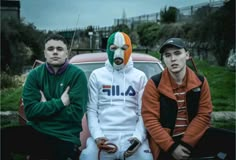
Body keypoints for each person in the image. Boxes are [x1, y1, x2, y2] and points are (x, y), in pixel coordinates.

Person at [141, 38, 235, 160]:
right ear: (163, 60)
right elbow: (150, 119)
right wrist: (172, 147)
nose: (173, 59)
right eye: (167, 55)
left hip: (194, 137)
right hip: (166, 142)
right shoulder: (154, 83)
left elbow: (204, 115)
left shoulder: (200, 82)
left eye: (177, 53)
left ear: (187, 55)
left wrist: (185, 144)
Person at [1, 33, 88, 160]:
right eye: (50, 49)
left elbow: (75, 114)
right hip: (38, 132)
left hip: (64, 136)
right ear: (45, 53)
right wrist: (60, 103)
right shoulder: (35, 75)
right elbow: (30, 112)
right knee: (2, 138)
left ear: (66, 53)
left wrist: (44, 106)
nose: (55, 52)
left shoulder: (77, 76)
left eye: (59, 49)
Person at [80, 32, 153, 160]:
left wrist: (138, 137)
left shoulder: (140, 76)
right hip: (104, 136)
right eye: (113, 48)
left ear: (129, 49)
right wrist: (97, 136)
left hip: (132, 137)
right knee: (87, 157)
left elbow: (144, 111)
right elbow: (91, 110)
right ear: (108, 49)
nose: (118, 53)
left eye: (124, 48)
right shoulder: (97, 75)